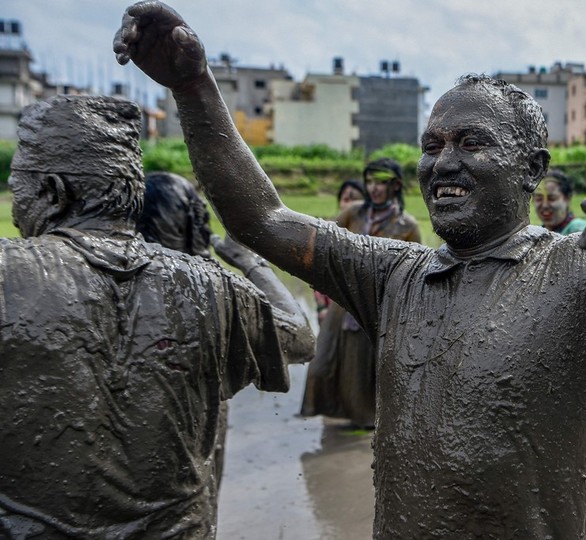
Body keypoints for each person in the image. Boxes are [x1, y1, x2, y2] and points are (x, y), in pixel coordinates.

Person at [115, 6, 586, 536]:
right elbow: (262, 219)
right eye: (432, 144)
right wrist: (194, 87)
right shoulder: (395, 274)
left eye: (473, 143)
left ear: (533, 170)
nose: (443, 163)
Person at [0, 95, 301, 538]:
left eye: (17, 187)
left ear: (52, 192)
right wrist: (251, 263)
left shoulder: (8, 272)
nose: (14, 204)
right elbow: (299, 333)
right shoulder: (212, 285)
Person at [137, 171, 315, 488]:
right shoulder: (213, 293)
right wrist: (251, 263)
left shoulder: (90, 283)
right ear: (196, 226)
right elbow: (301, 338)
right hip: (187, 496)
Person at [301, 160, 421, 428]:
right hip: (342, 304)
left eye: (381, 182)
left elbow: (415, 274)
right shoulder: (353, 214)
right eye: (370, 182)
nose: (374, 188)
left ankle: (367, 424)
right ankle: (340, 414)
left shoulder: (407, 225)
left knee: (363, 371)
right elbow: (324, 241)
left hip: (377, 306)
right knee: (322, 366)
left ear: (396, 185)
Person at [314, 179, 366, 324]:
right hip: (332, 312)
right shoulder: (328, 234)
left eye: (355, 200)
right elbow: (317, 274)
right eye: (345, 199)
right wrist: (321, 308)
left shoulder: (371, 237)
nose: (349, 204)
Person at [533, 168, 586, 234]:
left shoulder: (579, 230)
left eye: (552, 198)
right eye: (539, 199)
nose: (545, 205)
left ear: (567, 199)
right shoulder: (537, 233)